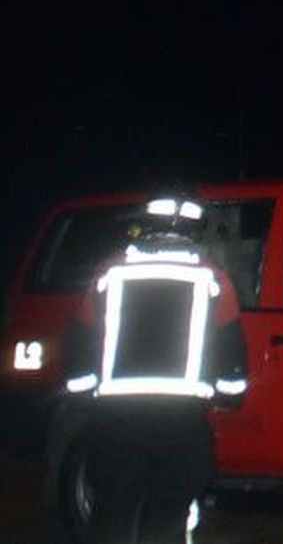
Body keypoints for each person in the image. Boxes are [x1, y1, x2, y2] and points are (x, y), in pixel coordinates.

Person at [43, 196, 247, 544]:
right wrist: (230, 394)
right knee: (169, 515)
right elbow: (231, 347)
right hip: (181, 423)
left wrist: (84, 394)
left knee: (112, 512)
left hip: (117, 420)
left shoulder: (109, 273)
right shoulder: (213, 279)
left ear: (145, 228)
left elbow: (80, 337)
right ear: (193, 232)